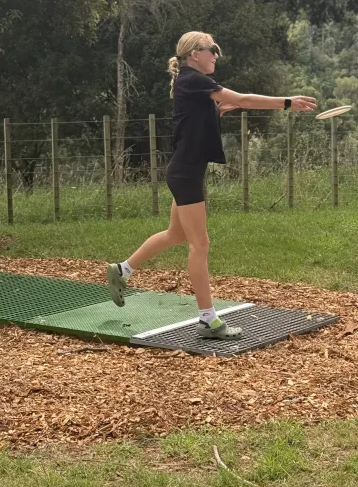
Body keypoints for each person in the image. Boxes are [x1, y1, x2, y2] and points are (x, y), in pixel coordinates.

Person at [107, 31, 317, 339]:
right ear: (195, 54)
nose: (216, 55)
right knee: (199, 245)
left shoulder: (191, 83)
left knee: (175, 234)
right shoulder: (193, 80)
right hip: (186, 173)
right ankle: (207, 319)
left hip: (185, 170)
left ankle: (122, 270)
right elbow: (242, 98)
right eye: (211, 49)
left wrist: (218, 109)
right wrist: (287, 102)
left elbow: (199, 116)